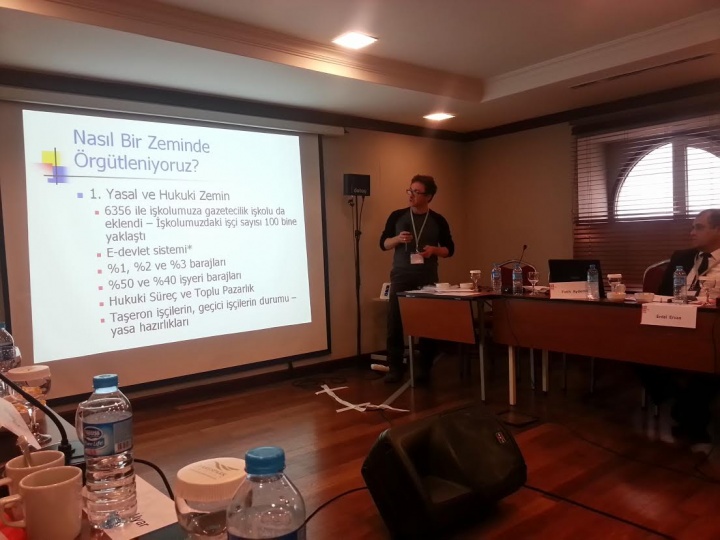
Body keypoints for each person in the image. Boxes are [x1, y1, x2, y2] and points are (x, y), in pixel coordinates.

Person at [642, 209, 720, 445]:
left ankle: (691, 419)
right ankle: (682, 403)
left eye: (699, 227)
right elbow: (663, 295)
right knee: (635, 349)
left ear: (718, 230)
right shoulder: (682, 257)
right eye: (692, 227)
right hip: (675, 325)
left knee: (708, 361)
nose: (692, 232)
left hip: (713, 330)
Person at [379, 175, 454, 384]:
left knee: (427, 323)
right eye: (409, 190)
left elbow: (450, 249)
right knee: (395, 322)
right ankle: (395, 368)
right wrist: (397, 239)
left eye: (416, 192)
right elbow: (383, 243)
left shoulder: (438, 220)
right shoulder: (397, 216)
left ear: (428, 196)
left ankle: (424, 369)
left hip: (427, 277)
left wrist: (434, 250)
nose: (411, 195)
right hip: (401, 276)